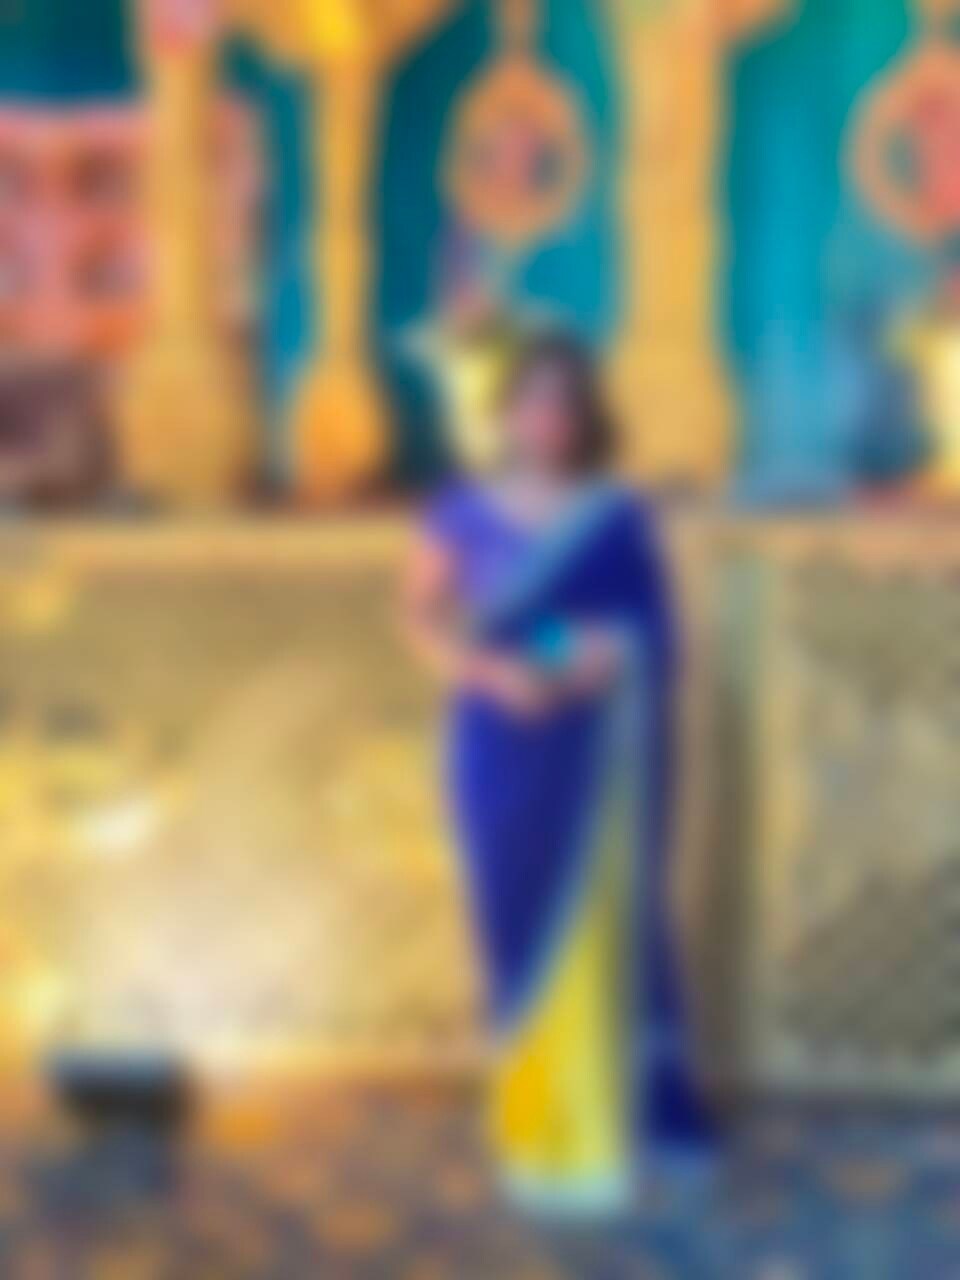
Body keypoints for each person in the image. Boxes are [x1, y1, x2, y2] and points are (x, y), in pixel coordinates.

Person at [400, 333, 713, 1215]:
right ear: (503, 412)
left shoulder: (615, 516)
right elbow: (426, 620)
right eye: (531, 400)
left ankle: (608, 1121)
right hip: (497, 741)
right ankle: (542, 1121)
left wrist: (587, 654)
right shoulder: (459, 510)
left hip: (596, 753)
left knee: (603, 926)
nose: (547, 418)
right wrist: (496, 674)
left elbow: (653, 630)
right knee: (511, 921)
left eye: (565, 403)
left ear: (587, 418)